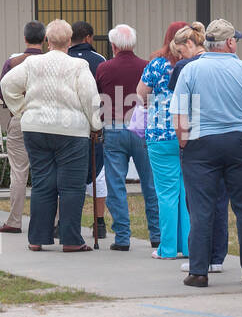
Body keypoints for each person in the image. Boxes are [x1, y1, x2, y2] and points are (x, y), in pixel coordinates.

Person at [172, 18, 242, 288]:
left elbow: (179, 116)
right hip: (240, 141)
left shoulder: (190, 71)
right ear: (230, 42)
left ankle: (199, 271)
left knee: (201, 209)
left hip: (201, 142)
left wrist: (184, 143)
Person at [0, 19, 103, 252]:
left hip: (36, 128)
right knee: (71, 186)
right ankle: (71, 240)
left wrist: (22, 109)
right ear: (69, 41)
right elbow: (90, 98)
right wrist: (96, 124)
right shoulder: (78, 65)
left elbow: (7, 84)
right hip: (71, 132)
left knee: (42, 183)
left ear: (47, 41)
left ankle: (37, 238)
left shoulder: (32, 63)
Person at [170, 22, 229, 273]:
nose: (179, 59)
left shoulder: (186, 68)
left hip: (197, 138)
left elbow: (181, 105)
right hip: (229, 136)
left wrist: (183, 139)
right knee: (220, 202)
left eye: (180, 53)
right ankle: (217, 256)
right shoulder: (227, 64)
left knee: (198, 204)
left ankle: (200, 259)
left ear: (190, 44)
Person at [96, 24, 160, 251]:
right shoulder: (146, 66)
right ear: (133, 44)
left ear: (113, 46)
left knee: (115, 184)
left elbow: (99, 96)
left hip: (114, 128)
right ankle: (157, 234)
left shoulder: (104, 68)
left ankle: (122, 236)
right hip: (142, 128)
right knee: (150, 184)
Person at [137, 22, 191, 262]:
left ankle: (167, 247)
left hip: (160, 134)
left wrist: (153, 100)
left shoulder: (157, 65)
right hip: (188, 133)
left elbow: (140, 93)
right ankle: (189, 246)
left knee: (167, 193)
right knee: (186, 191)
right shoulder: (191, 65)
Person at [0, 21, 45, 234]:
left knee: (18, 172)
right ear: (44, 39)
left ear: (25, 38)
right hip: (46, 119)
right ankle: (53, 220)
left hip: (20, 117)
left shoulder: (13, 62)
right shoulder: (51, 62)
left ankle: (14, 220)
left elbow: (2, 90)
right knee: (47, 171)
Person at [68, 20, 108, 237]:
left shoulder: (64, 59)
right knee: (97, 173)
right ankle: (99, 222)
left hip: (67, 124)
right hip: (92, 122)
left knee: (66, 173)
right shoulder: (99, 60)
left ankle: (61, 221)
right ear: (89, 38)